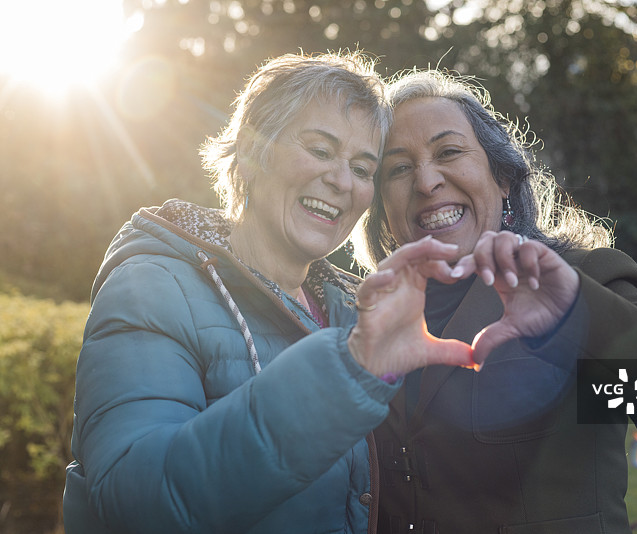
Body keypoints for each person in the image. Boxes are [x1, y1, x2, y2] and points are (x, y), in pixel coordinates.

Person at [62, 53, 475, 534]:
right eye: (320, 150)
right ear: (253, 151)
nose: (342, 181)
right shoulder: (152, 287)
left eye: (363, 169)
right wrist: (345, 373)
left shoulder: (353, 308)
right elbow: (140, 502)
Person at [355, 70, 637, 534]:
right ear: (382, 211)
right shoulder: (367, 316)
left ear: (504, 179)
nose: (426, 180)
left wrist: (574, 314)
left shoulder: (583, 278)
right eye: (398, 168)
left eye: (449, 152)